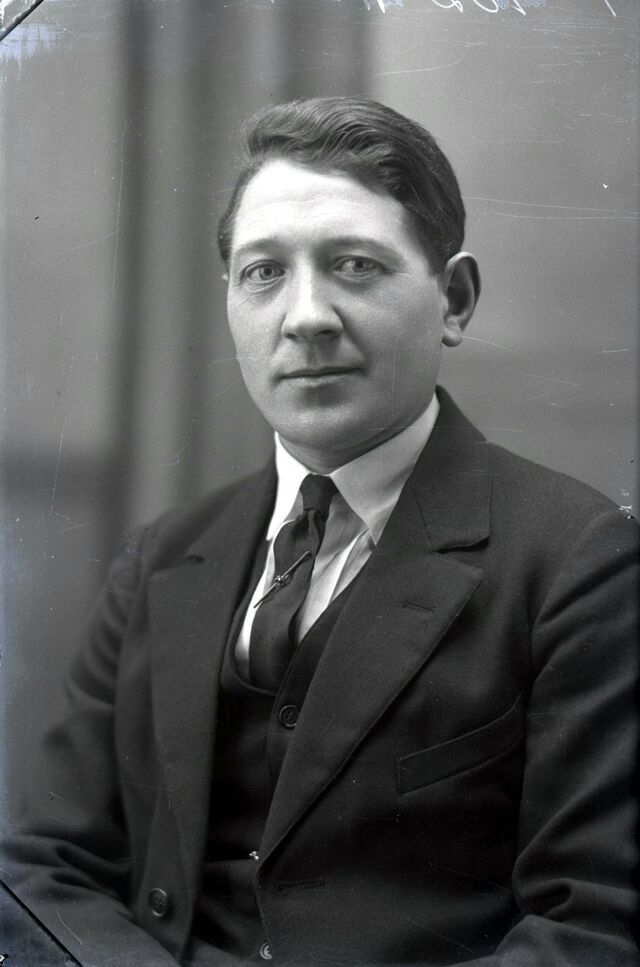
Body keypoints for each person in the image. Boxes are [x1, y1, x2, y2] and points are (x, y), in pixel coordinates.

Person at [1, 97, 638, 967]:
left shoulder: (577, 561)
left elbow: (591, 928)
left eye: (355, 265)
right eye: (264, 272)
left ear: (453, 299)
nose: (305, 316)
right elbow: (41, 870)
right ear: (231, 303)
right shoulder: (163, 558)